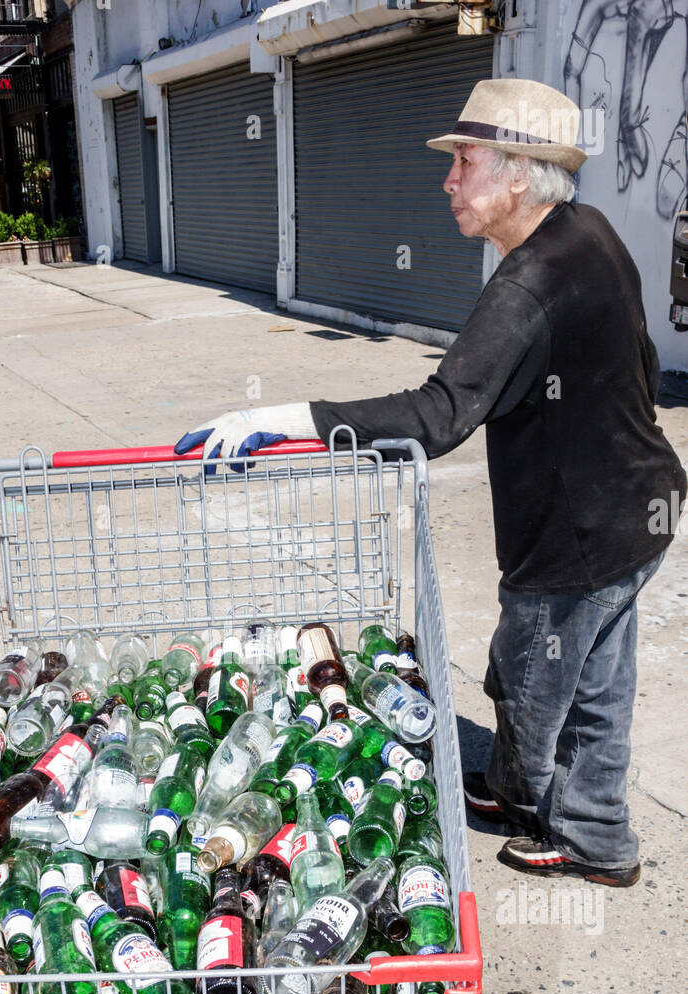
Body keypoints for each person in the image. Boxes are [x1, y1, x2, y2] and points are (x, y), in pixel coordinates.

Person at [174, 78, 686, 889]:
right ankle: (530, 796)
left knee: (537, 677)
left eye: (466, 161)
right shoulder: (587, 232)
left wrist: (289, 415)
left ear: (519, 173)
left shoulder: (527, 284)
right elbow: (644, 361)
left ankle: (590, 837)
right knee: (594, 670)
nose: (449, 179)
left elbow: (440, 414)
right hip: (642, 503)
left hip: (584, 530)